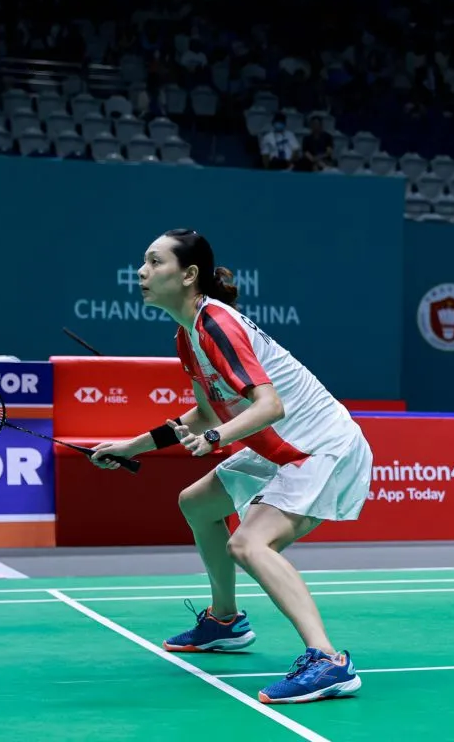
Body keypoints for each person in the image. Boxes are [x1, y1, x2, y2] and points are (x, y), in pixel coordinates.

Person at [89, 229, 372, 704]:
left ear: (188, 275)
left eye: (155, 262)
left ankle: (328, 661)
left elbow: (270, 405)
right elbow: (204, 414)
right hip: (279, 447)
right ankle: (225, 621)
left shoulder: (216, 323)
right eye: (144, 262)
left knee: (249, 543)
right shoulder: (187, 335)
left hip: (320, 446)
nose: (142, 271)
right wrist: (131, 448)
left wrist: (216, 438)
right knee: (197, 503)